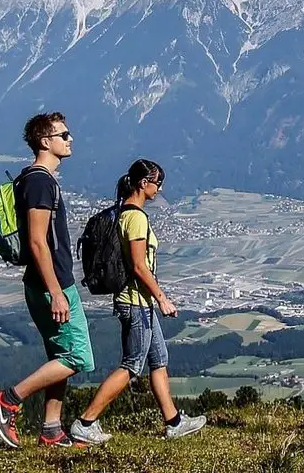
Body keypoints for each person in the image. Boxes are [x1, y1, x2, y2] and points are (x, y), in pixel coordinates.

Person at [70, 159, 207, 443]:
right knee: (131, 365)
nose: (159, 188)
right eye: (157, 183)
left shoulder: (124, 213)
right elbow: (138, 266)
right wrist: (162, 299)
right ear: (144, 184)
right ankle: (85, 422)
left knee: (159, 360)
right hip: (136, 303)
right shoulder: (136, 218)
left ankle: (174, 422)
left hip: (137, 303)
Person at [0, 112, 95, 448]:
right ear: (45, 142)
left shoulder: (31, 179)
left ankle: (51, 429)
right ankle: (7, 401)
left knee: (60, 356)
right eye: (64, 134)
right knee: (78, 358)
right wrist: (57, 292)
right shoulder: (41, 181)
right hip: (52, 284)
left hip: (44, 282)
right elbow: (36, 240)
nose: (70, 139)